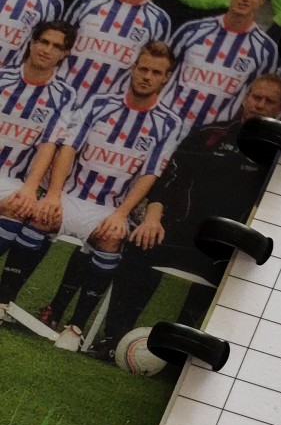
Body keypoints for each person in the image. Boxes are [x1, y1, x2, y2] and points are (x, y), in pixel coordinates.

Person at [86, 73, 281, 358]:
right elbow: (168, 181)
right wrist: (152, 219)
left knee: (232, 277)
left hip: (228, 249)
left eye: (269, 101)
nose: (260, 105)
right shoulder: (210, 135)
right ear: (245, 98)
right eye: (256, 97)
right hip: (183, 232)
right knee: (142, 242)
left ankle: (179, 357)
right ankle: (113, 339)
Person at [0, 42, 181, 349]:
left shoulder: (168, 123)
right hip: (71, 196)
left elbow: (150, 174)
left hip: (109, 208)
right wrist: (54, 195)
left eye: (156, 72)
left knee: (112, 237)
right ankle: (4, 301)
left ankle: (75, 328)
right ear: (133, 68)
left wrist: (122, 214)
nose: (147, 77)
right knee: (39, 216)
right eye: (143, 69)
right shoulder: (98, 104)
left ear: (166, 78)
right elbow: (67, 149)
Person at [0, 20, 77, 267]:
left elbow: (48, 144)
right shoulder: (2, 77)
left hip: (9, 178)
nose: (47, 50)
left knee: (19, 205)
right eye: (44, 42)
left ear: (64, 54)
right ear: (32, 43)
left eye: (56, 46)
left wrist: (31, 187)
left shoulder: (64, 95)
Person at [161, 0, 278, 130]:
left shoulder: (266, 50)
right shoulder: (192, 30)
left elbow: (257, 99)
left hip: (211, 135)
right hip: (166, 124)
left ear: (262, 1)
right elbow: (160, 71)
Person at [61, 0, 171, 102]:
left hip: (107, 107)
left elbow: (152, 70)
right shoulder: (88, 1)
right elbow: (59, 45)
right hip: (62, 95)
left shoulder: (159, 21)